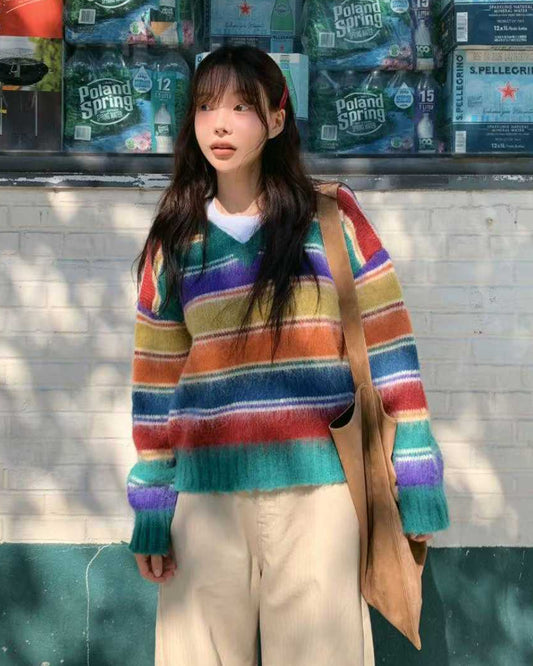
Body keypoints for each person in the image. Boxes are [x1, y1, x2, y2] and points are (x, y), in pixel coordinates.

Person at [126, 44, 450, 665]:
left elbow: (390, 348)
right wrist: (151, 504)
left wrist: (417, 475)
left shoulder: (331, 218)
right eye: (206, 107)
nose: (220, 125)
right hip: (206, 499)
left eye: (241, 107)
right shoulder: (174, 239)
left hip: (319, 497)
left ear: (277, 120)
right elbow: (155, 384)